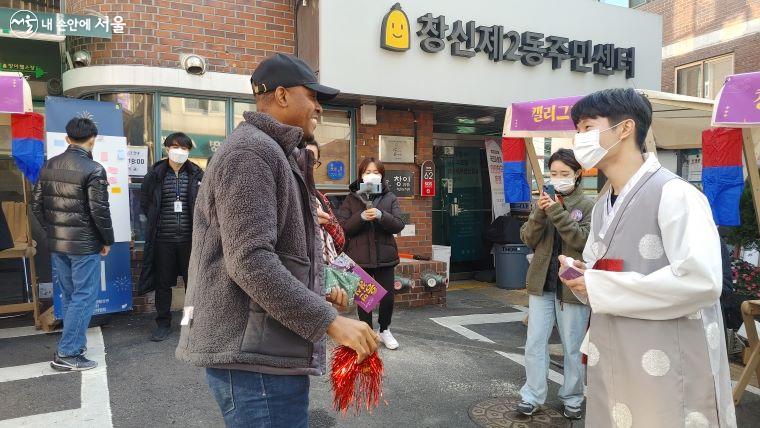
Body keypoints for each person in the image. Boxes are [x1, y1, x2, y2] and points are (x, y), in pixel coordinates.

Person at [175, 53, 378, 428]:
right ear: (282, 96)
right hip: (254, 361)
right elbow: (251, 260)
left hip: (264, 350)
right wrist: (330, 321)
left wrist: (318, 290)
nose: (319, 106)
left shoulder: (274, 151)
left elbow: (277, 254)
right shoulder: (251, 152)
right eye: (313, 94)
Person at [560, 88, 736, 427]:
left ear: (625, 128)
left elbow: (702, 281)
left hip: (667, 354)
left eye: (586, 127)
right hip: (615, 347)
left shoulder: (675, 194)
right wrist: (586, 276)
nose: (578, 138)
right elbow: (608, 269)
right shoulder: (601, 206)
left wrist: (601, 285)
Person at [31, 117, 114, 371]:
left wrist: (53, 232)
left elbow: (36, 206)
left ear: (68, 139)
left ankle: (74, 344)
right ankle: (68, 352)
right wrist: (106, 240)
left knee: (70, 297)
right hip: (84, 245)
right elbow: (100, 211)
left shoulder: (49, 166)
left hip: (59, 244)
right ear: (93, 139)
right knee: (84, 296)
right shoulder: (93, 169)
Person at [517, 149, 593, 420]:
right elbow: (527, 237)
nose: (558, 178)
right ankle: (532, 395)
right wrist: (539, 213)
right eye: (554, 173)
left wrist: (557, 212)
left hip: (572, 288)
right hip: (542, 284)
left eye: (564, 173)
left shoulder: (586, 205)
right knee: (534, 342)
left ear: (577, 174)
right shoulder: (545, 201)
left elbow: (581, 242)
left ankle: (573, 397)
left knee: (572, 347)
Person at [138, 132, 204, 342]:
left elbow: (204, 204)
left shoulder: (196, 174)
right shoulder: (155, 174)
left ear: (189, 151)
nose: (179, 151)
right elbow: (145, 202)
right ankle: (163, 323)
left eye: (184, 148)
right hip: (162, 239)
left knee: (191, 284)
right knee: (163, 284)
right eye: (175, 147)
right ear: (167, 149)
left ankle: (189, 323)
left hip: (189, 239)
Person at [337, 158, 405, 350]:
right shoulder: (351, 199)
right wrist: (360, 217)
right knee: (365, 300)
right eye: (367, 172)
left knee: (388, 297)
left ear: (382, 175)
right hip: (360, 257)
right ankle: (366, 332)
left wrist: (382, 216)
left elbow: (399, 224)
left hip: (385, 256)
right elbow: (342, 228)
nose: (372, 175)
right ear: (361, 175)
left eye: (376, 172)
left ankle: (384, 330)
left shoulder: (389, 197)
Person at [302, 141, 345, 259]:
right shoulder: (284, 193)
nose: (308, 164)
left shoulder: (320, 197)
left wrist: (327, 221)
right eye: (304, 157)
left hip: (324, 268)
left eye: (313, 161)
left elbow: (341, 241)